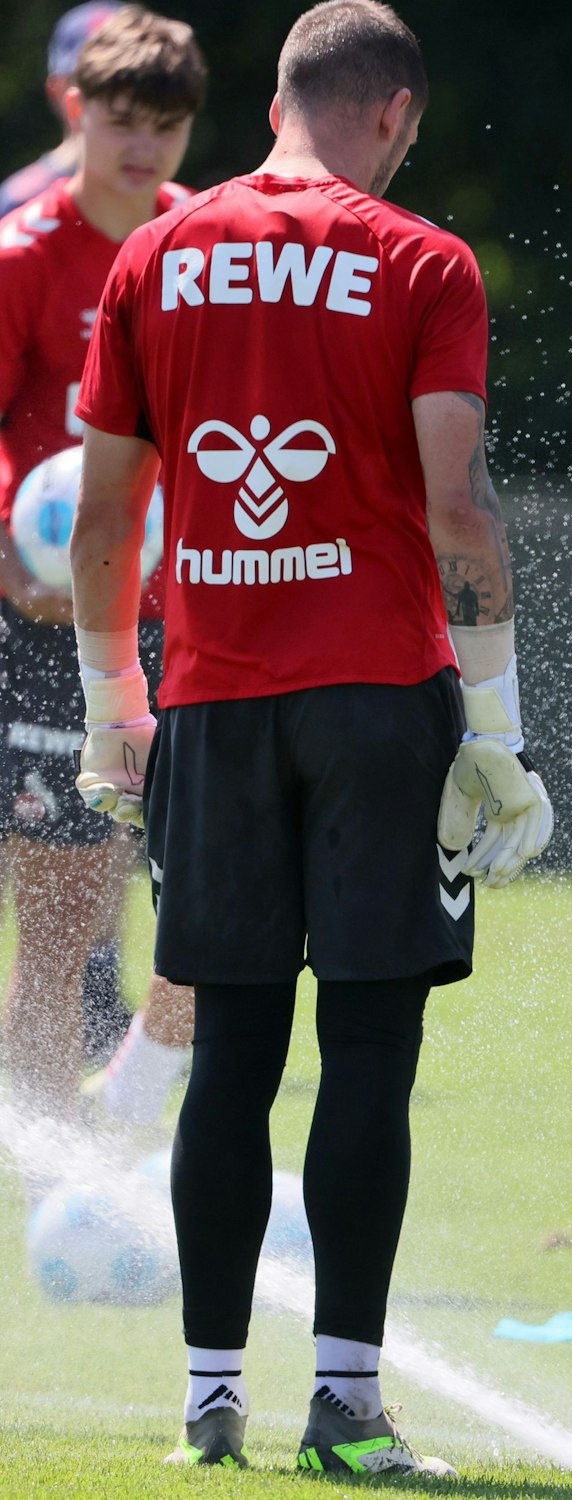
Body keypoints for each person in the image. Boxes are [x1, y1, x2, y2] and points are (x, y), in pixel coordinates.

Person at [71, 0, 551, 1473]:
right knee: (368, 1052)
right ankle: (344, 1399)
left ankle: (210, 1400)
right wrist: (499, 726)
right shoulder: (420, 258)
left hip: (211, 699)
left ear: (276, 101)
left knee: (226, 1054)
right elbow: (457, 505)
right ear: (394, 112)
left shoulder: (154, 252)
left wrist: (112, 707)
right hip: (379, 704)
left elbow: (102, 516)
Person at [0, 6, 203, 1122]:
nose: (143, 147)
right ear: (74, 109)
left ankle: (87, 1138)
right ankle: (37, 1165)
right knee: (53, 918)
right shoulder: (24, 256)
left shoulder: (207, 250)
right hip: (37, 621)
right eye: (122, 120)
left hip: (180, 625)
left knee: (163, 906)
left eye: (167, 127)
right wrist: (12, 559)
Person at [2, 0, 132, 1063]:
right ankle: (56, 1030)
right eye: (110, 101)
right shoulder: (21, 231)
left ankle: (96, 998)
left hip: (137, 589)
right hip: (30, 591)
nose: (138, 137)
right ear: (66, 96)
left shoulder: (181, 229)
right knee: (46, 847)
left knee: (109, 833)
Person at [0, 3, 123, 220]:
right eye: (92, 81)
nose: (116, 98)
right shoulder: (17, 202)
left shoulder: (169, 198)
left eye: (126, 79)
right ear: (57, 91)